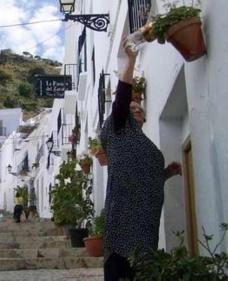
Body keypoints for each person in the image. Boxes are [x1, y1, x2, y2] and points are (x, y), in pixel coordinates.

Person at [100, 39, 183, 281]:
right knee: (120, 265)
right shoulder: (117, 129)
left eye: (140, 108)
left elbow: (145, 175)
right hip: (124, 212)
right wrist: (131, 60)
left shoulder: (142, 143)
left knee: (144, 266)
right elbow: (123, 96)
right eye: (132, 108)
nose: (136, 109)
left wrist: (166, 173)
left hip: (146, 216)